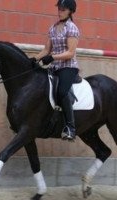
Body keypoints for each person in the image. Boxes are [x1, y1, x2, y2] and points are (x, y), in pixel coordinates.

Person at [30, 0, 79, 141]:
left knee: (62, 91)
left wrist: (52, 58)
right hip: (55, 67)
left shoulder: (72, 28)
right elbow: (47, 49)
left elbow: (70, 53)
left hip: (68, 67)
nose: (60, 11)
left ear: (70, 11)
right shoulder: (53, 28)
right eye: (59, 9)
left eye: (63, 9)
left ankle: (71, 127)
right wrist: (34, 59)